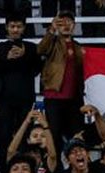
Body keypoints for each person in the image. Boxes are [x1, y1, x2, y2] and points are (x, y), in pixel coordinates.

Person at [0, 14, 41, 166]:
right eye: (12, 26)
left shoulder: (31, 48)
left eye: (18, 26)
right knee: (4, 135)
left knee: (25, 135)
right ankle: (6, 170)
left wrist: (24, 56)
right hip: (4, 100)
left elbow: (37, 70)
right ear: (6, 27)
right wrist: (7, 59)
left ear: (24, 28)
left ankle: (27, 168)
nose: (15, 29)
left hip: (25, 99)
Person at [37, 10, 83, 145]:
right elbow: (40, 49)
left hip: (74, 99)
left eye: (69, 22)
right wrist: (51, 30)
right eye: (61, 22)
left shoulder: (78, 47)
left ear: (74, 25)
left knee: (76, 137)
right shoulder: (52, 42)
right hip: (54, 97)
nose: (66, 25)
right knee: (54, 137)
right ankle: (54, 166)